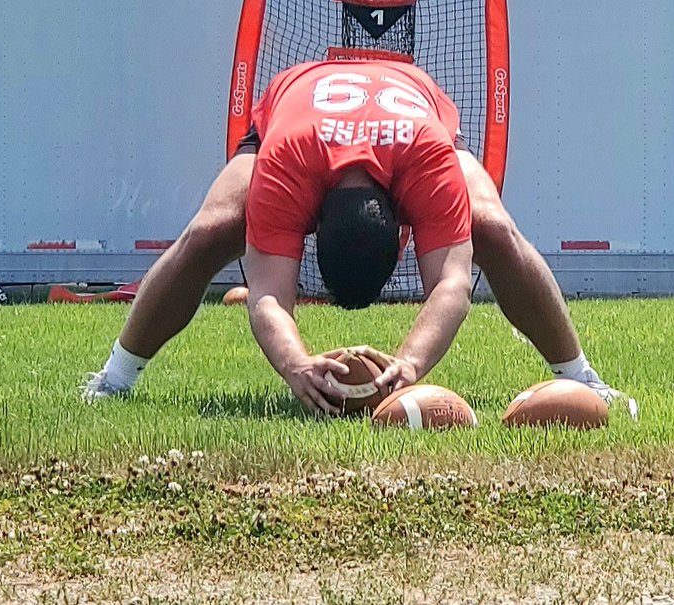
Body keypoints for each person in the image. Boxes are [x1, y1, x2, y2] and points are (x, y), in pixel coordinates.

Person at [82, 59, 636, 419]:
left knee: (491, 226)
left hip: (411, 104)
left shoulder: (426, 154)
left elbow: (453, 285)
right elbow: (267, 295)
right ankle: (113, 379)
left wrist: (411, 364)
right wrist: (295, 363)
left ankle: (582, 377)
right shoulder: (287, 161)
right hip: (300, 103)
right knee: (211, 230)